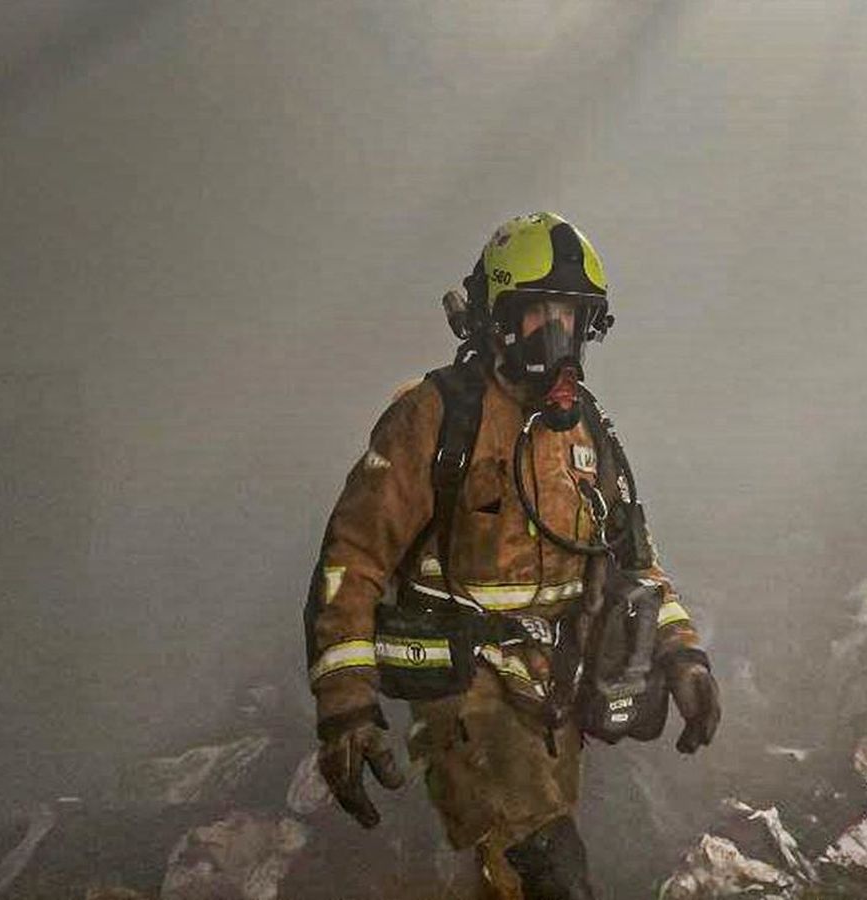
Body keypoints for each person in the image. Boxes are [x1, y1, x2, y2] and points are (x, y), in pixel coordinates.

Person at [302, 212, 720, 899]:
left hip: (552, 700)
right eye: (540, 316)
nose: (560, 341)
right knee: (552, 874)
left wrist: (683, 654)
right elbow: (354, 556)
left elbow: (634, 562)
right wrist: (346, 706)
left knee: (509, 878)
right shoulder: (437, 416)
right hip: (464, 695)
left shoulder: (586, 430)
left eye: (574, 319)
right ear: (495, 317)